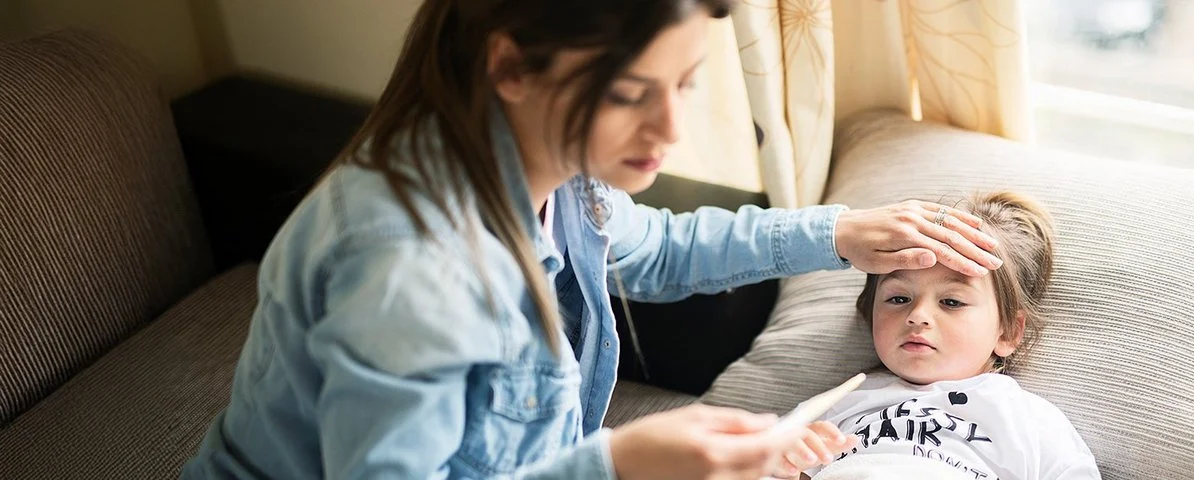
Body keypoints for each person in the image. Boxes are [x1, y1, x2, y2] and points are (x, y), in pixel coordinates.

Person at [180, 0, 1005, 478]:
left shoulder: (556, 168)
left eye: (685, 84)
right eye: (629, 94)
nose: (671, 128)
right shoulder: (409, 270)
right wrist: (619, 464)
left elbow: (658, 252)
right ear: (510, 66)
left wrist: (839, 233)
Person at [771, 192, 1101, 480]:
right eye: (898, 298)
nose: (917, 315)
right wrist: (787, 466)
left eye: (951, 302)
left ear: (1009, 332)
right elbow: (751, 462)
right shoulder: (838, 403)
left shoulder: (1027, 419)